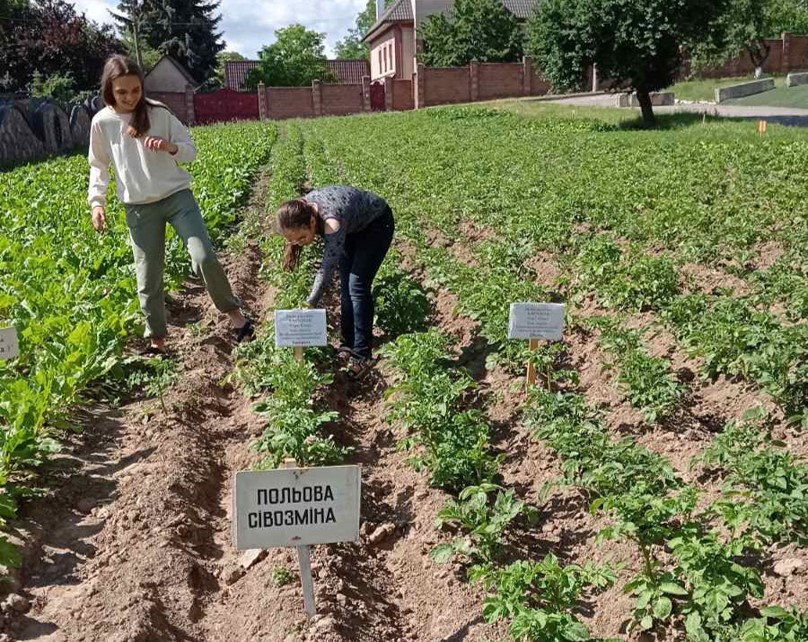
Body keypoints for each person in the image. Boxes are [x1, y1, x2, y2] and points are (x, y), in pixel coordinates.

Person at [87, 55, 253, 355]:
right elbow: (98, 166)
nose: (129, 97)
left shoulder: (159, 113)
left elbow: (190, 151)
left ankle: (237, 318)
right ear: (109, 89)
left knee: (203, 257)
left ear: (142, 87)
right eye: (122, 92)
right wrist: (97, 203)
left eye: (135, 90)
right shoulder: (102, 123)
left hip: (177, 198)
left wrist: (170, 147)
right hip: (138, 207)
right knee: (147, 273)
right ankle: (157, 340)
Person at [276, 186, 395, 377]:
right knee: (346, 285)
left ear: (313, 221)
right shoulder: (299, 210)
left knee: (357, 285)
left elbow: (327, 268)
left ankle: (363, 355)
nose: (300, 242)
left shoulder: (331, 222)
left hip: (376, 225)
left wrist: (311, 301)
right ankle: (347, 344)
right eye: (294, 240)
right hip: (351, 228)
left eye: (302, 237)